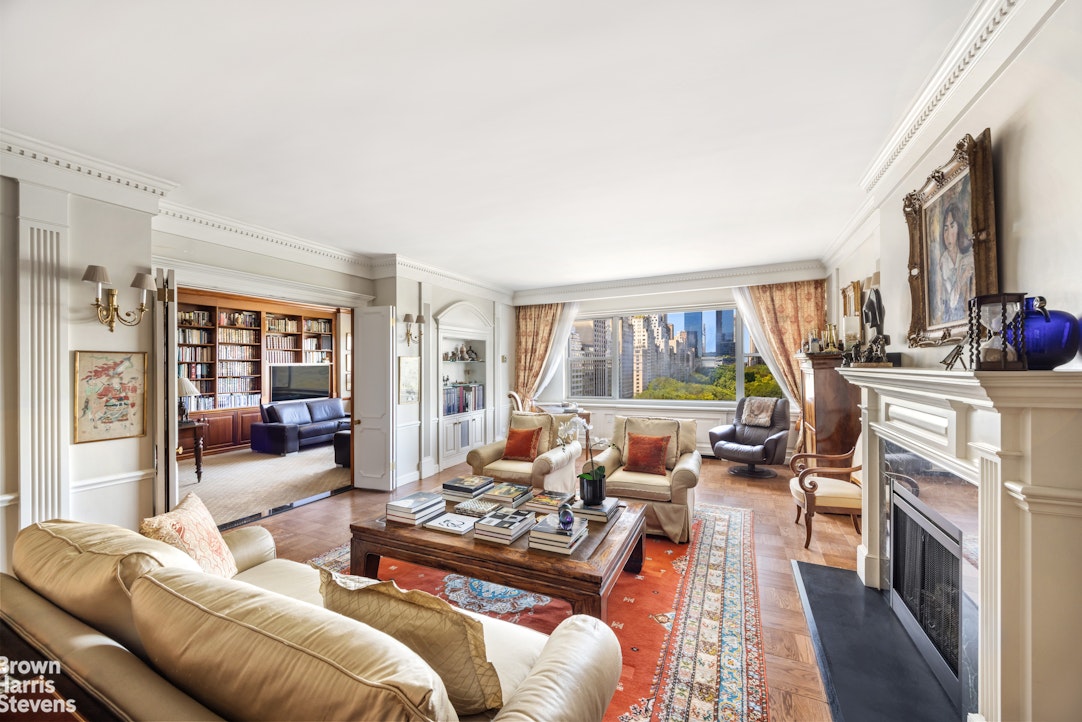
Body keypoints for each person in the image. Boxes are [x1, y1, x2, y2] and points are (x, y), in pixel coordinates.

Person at [933, 201, 975, 325]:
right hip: (953, 319)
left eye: (952, 226)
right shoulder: (943, 261)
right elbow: (951, 301)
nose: (948, 235)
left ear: (959, 228)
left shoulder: (968, 255)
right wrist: (962, 278)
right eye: (945, 228)